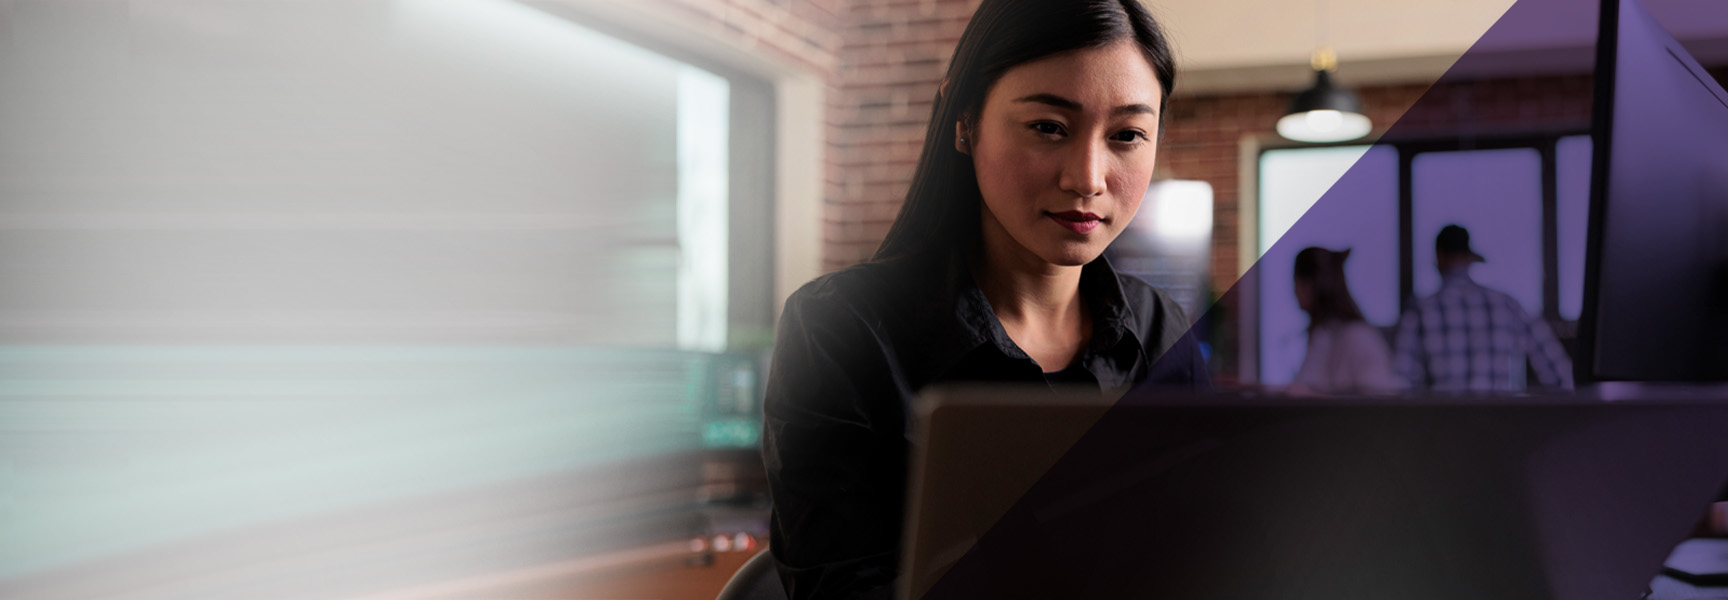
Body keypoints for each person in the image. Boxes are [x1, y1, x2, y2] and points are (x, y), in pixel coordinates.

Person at [760, 1, 1208, 597]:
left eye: (1127, 135)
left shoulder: (1161, 332)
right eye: (1049, 126)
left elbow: (1203, 552)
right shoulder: (840, 330)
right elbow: (840, 587)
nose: (1088, 178)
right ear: (964, 120)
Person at [1393, 224, 1573, 392]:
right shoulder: (1507, 305)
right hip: (1499, 422)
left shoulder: (1420, 311)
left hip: (1442, 423)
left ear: (1439, 256)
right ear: (1469, 258)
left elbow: (1401, 380)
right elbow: (1559, 373)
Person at [1286, 247, 1403, 395]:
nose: (1295, 291)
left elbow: (1378, 402)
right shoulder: (1322, 334)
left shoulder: (1358, 337)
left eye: (1299, 283)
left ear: (1316, 285)